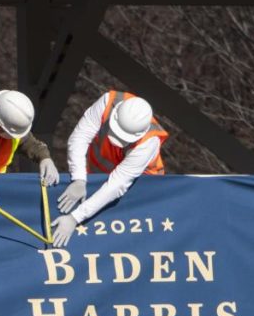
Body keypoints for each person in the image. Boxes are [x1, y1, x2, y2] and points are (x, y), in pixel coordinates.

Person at [51, 90, 168, 247]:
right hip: (97, 177)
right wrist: (79, 178)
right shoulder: (108, 102)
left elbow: (116, 186)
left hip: (138, 190)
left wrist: (75, 218)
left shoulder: (148, 143)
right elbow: (80, 136)